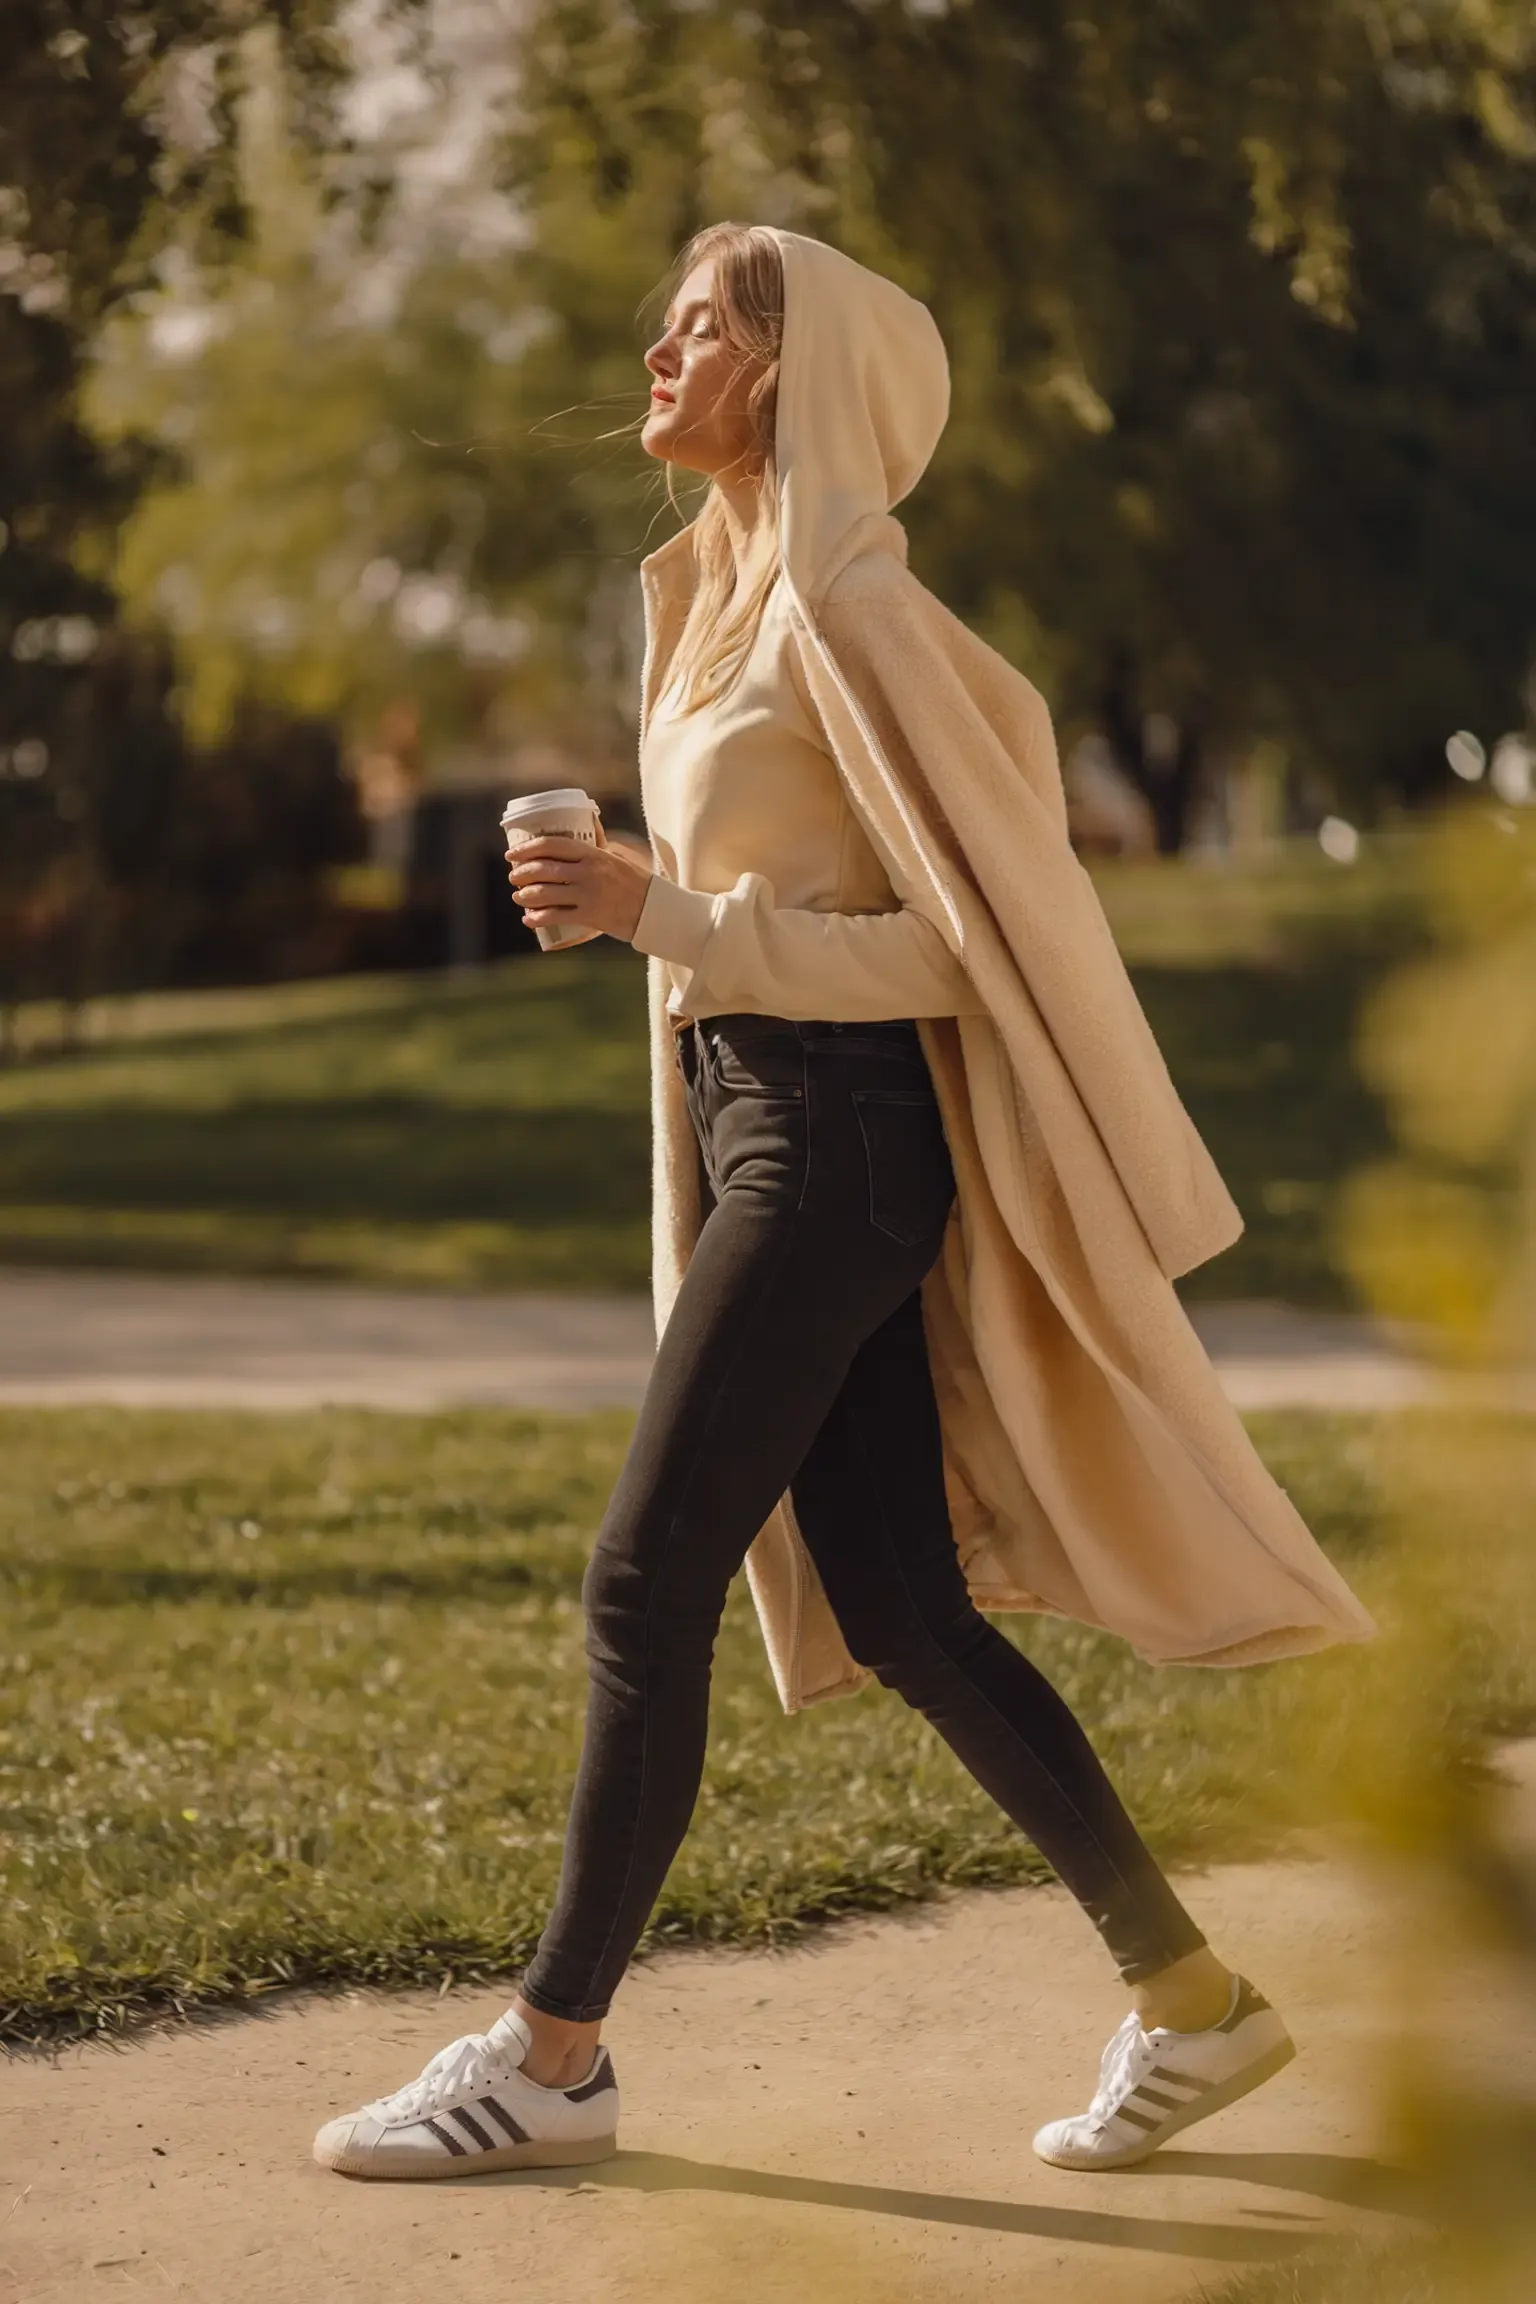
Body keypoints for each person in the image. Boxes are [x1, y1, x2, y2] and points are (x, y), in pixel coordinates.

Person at [314, 224, 1373, 2185]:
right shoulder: (715, 608)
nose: (659, 350)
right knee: (901, 1606)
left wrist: (670, 913)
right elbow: (765, 898)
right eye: (667, 320)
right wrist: (646, 908)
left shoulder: (857, 612)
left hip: (836, 1140)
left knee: (644, 1581)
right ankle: (1198, 2005)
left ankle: (551, 2059)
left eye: (703, 325)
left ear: (797, 376)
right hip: (763, 1122)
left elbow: (978, 943)